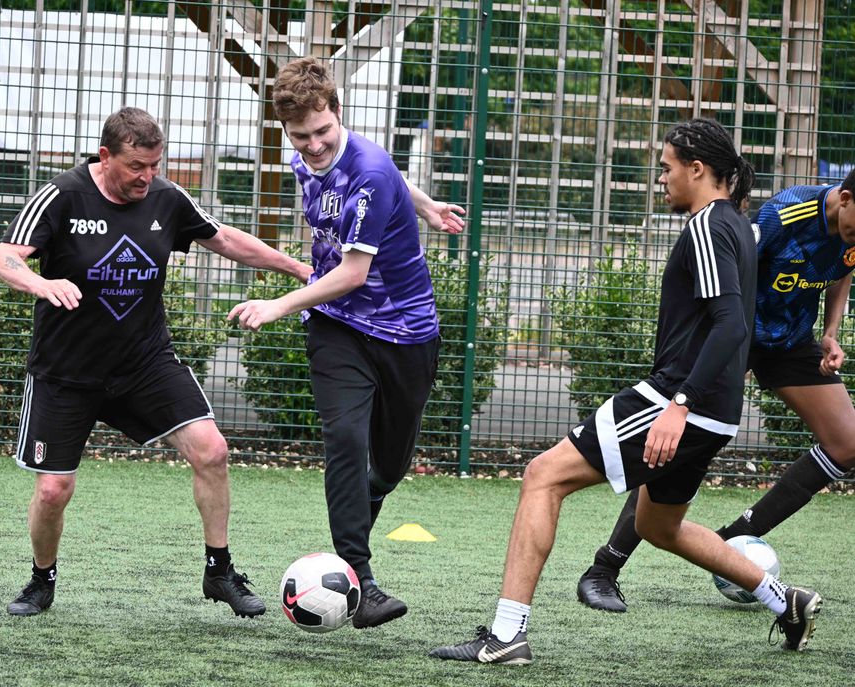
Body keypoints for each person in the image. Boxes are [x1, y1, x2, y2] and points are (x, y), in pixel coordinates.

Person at [430, 118, 822, 667]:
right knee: (658, 526)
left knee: (543, 476)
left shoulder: (708, 224)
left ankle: (506, 634)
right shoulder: (735, 222)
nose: (660, 179)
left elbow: (732, 324)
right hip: (716, 408)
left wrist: (678, 405)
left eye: (666, 169)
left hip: (677, 400)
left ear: (697, 168)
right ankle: (786, 601)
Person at [0, 107, 312, 619]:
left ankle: (220, 571)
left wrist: (297, 267)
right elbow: (3, 257)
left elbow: (224, 239)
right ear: (105, 156)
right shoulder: (63, 195)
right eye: (136, 166)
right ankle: (41, 580)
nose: (147, 177)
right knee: (53, 489)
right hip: (66, 371)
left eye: (154, 165)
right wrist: (41, 282)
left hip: (144, 362)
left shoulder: (165, 197)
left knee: (212, 450)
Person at [227, 56, 464, 629]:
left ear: (339, 114)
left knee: (388, 465)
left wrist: (278, 304)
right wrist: (425, 203)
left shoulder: (373, 169)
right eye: (300, 136)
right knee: (344, 436)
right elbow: (378, 201)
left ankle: (366, 502)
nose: (312, 146)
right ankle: (360, 577)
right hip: (336, 323)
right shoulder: (308, 160)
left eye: (322, 133)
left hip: (407, 331)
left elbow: (356, 266)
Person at [576, 169, 855, 613]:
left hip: (791, 343)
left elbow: (844, 267)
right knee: (673, 443)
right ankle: (604, 569)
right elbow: (735, 273)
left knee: (847, 443)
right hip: (738, 338)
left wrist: (831, 330)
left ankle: (727, 545)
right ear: (844, 198)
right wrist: (721, 351)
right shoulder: (787, 212)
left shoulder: (851, 231)